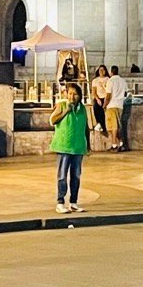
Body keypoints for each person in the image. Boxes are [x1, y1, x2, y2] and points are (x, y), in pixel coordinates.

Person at [49, 82, 88, 213]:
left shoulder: (82, 109)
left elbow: (85, 127)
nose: (72, 97)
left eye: (75, 94)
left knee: (76, 175)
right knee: (62, 175)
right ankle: (60, 202)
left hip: (78, 147)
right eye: (70, 93)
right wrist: (66, 111)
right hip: (64, 147)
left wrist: (87, 145)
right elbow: (52, 120)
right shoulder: (61, 105)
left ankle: (73, 202)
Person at [105, 64, 128, 152]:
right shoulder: (123, 81)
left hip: (111, 105)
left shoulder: (110, 81)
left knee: (112, 127)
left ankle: (114, 145)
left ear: (111, 72)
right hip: (120, 105)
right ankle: (121, 144)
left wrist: (104, 105)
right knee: (118, 125)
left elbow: (108, 95)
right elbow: (125, 93)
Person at [89, 65, 109, 133]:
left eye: (103, 70)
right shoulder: (95, 80)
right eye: (100, 70)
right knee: (96, 108)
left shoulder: (108, 79)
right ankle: (99, 123)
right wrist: (97, 99)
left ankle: (104, 126)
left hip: (106, 97)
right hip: (98, 97)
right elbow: (94, 92)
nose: (101, 71)